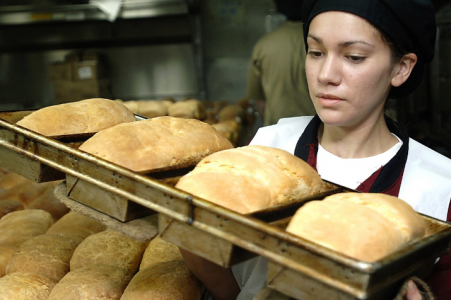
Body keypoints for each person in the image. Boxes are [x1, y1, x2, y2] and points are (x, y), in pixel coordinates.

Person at [180, 0, 451, 299]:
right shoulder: (264, 149)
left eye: (354, 56)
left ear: (401, 68)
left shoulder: (438, 189)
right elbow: (222, 273)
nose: (325, 75)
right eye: (316, 52)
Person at [246, 0, 316, 126]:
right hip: (315, 131)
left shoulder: (264, 44)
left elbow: (259, 99)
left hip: (276, 129)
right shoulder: (319, 44)